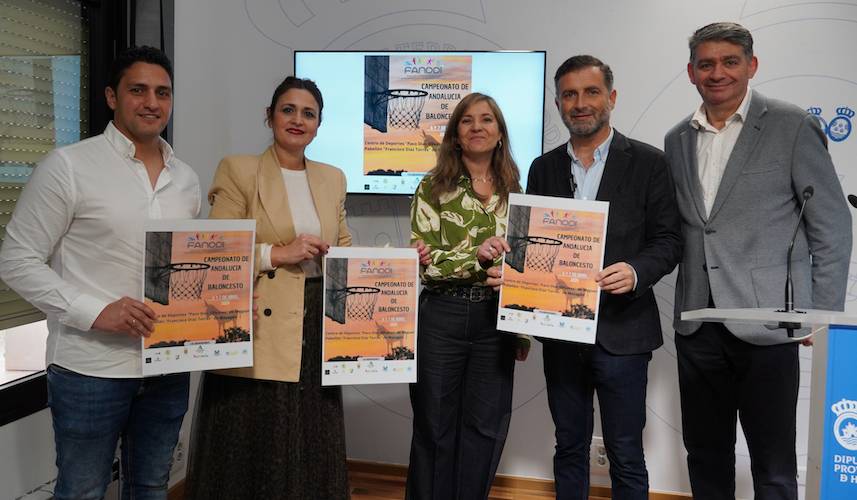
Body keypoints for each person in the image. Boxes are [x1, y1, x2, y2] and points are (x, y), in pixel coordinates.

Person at [0, 46, 199, 499]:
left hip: (167, 366)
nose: (152, 102)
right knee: (81, 491)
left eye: (162, 92)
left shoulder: (186, 179)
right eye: (138, 90)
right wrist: (95, 311)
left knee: (150, 486)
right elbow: (15, 258)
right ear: (112, 97)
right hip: (90, 367)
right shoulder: (68, 166)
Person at [665, 22, 852, 500]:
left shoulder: (791, 124)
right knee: (705, 456)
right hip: (697, 323)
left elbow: (830, 224)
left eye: (730, 61)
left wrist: (820, 311)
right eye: (706, 64)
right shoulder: (676, 140)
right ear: (690, 72)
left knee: (772, 464)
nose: (717, 73)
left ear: (752, 66)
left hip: (769, 321)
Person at [183, 76, 352, 499]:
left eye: (308, 113)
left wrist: (378, 265)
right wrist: (279, 254)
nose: (298, 120)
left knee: (313, 433)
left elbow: (345, 243)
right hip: (260, 318)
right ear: (269, 116)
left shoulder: (333, 178)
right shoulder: (239, 170)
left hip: (316, 321)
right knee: (256, 436)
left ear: (319, 124)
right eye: (288, 110)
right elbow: (216, 251)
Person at [524, 55, 682, 500]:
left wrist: (635, 271)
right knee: (568, 446)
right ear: (558, 104)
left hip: (624, 331)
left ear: (610, 98)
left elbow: (669, 240)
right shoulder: (543, 168)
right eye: (569, 95)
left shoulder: (649, 162)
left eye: (590, 92)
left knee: (626, 451)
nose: (580, 103)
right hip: (560, 333)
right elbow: (534, 244)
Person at [407, 92, 530, 500]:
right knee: (434, 426)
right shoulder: (432, 186)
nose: (477, 127)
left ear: (500, 133)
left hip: (496, 322)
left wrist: (523, 329)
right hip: (441, 317)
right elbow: (423, 262)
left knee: (486, 427)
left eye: (487, 120)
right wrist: (474, 257)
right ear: (455, 135)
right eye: (467, 121)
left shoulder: (517, 190)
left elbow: (526, 264)